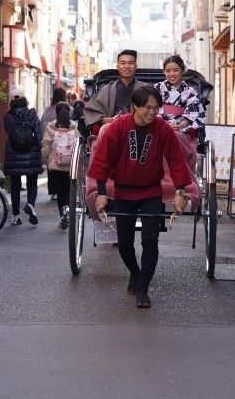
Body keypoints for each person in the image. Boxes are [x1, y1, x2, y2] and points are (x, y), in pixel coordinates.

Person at [87, 85, 192, 308]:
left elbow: (175, 160)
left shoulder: (162, 128)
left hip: (151, 191)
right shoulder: (119, 127)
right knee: (125, 243)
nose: (152, 112)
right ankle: (135, 272)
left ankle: (143, 289)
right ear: (136, 106)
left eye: (156, 108)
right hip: (124, 190)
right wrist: (102, 193)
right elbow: (103, 160)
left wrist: (181, 191)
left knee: (150, 241)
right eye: (147, 107)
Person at [154, 55, 206, 169]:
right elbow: (152, 110)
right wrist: (164, 125)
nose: (171, 74)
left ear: (182, 70)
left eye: (175, 70)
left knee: (175, 137)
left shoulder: (189, 91)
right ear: (164, 72)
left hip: (181, 130)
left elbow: (191, 115)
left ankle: (178, 173)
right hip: (159, 127)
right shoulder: (157, 88)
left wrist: (179, 126)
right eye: (168, 71)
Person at [2, 85, 43, 225]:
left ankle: (16, 216)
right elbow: (38, 134)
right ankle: (30, 205)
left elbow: (10, 133)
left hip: (14, 153)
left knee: (15, 185)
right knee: (32, 182)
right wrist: (38, 147)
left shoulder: (7, 116)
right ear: (24, 98)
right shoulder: (31, 113)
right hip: (31, 153)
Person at [40, 102, 77, 229]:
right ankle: (68, 210)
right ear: (69, 113)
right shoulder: (74, 127)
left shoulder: (51, 127)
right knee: (69, 191)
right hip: (71, 165)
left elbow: (45, 146)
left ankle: (62, 214)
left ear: (56, 113)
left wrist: (45, 161)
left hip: (56, 165)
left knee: (60, 191)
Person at [82, 49, 140, 129]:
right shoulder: (107, 90)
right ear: (118, 67)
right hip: (112, 129)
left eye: (130, 63)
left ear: (136, 66)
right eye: (123, 63)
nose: (127, 66)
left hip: (138, 130)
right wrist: (106, 120)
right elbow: (90, 111)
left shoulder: (144, 89)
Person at [40, 87, 68, 202]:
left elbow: (42, 125)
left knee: (52, 168)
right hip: (66, 145)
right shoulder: (67, 109)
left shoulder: (47, 110)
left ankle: (53, 191)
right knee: (65, 167)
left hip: (51, 143)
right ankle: (64, 191)